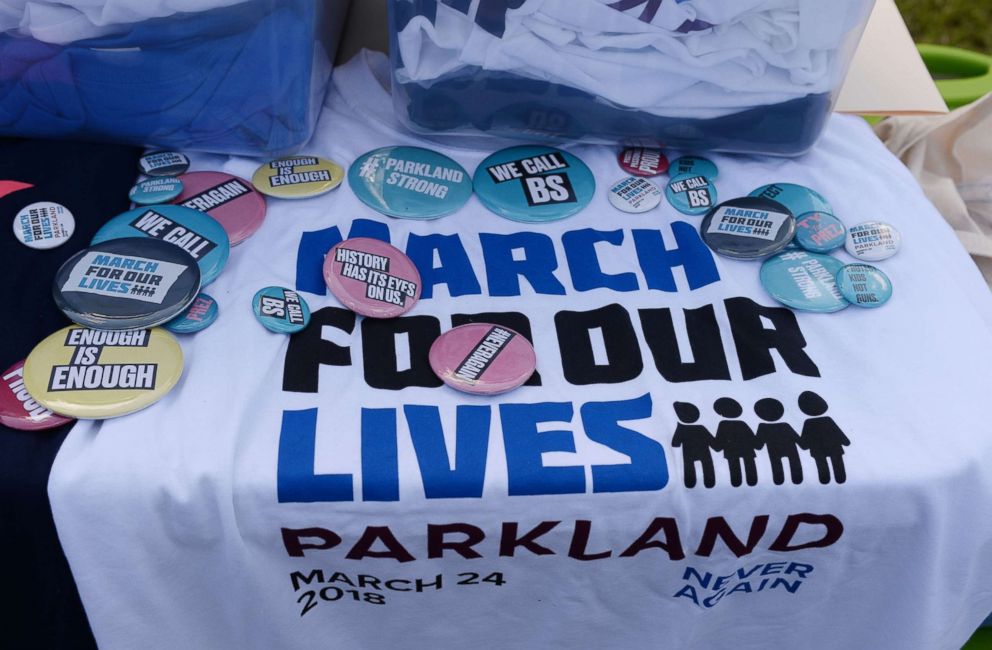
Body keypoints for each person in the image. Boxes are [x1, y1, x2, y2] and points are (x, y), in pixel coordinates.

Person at [798, 391, 851, 484]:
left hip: (817, 450)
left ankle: (825, 479)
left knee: (822, 464)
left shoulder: (808, 423)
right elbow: (838, 432)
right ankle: (839, 478)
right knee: (837, 463)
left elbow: (804, 441)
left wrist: (804, 445)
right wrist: (845, 441)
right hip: (834, 447)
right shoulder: (827, 420)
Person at [754, 398, 803, 485]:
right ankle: (796, 478)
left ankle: (779, 479)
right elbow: (798, 440)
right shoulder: (785, 426)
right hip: (790, 448)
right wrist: (803, 444)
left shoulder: (763, 428)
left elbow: (758, 445)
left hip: (774, 450)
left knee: (776, 464)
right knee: (793, 462)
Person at [712, 397, 759, 487]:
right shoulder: (742, 423)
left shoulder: (723, 424)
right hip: (746, 450)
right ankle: (750, 480)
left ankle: (737, 481)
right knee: (748, 464)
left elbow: (720, 438)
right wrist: (756, 444)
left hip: (731, 451)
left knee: (735, 466)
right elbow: (751, 436)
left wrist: (717, 446)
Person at [671, 401, 717, 488]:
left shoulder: (682, 429)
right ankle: (709, 482)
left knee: (689, 466)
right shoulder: (701, 428)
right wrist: (717, 446)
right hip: (704, 451)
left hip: (688, 452)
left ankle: (690, 483)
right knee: (707, 465)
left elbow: (675, 443)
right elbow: (712, 441)